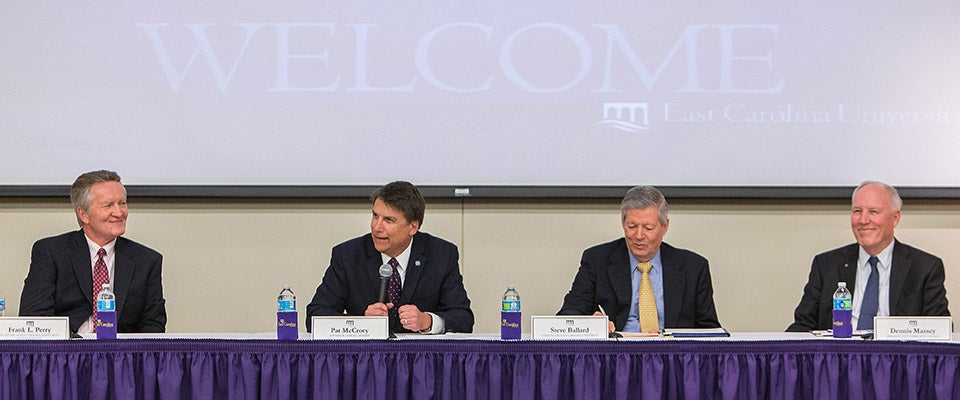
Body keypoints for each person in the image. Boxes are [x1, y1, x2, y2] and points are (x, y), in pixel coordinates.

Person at [305, 181, 473, 334]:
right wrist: (360, 323)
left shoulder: (441, 255)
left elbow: (463, 319)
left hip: (420, 360)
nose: (376, 227)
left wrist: (427, 321)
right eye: (375, 216)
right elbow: (314, 316)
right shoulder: (348, 255)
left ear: (413, 227)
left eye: (388, 220)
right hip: (366, 360)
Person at [787, 181, 950, 332]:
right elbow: (803, 324)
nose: (863, 220)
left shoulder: (924, 267)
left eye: (873, 212)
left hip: (897, 359)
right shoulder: (826, 265)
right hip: (840, 358)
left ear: (895, 218)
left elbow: (940, 328)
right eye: (857, 211)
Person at [19, 170, 166, 334]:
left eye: (122, 203)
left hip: (120, 356)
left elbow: (153, 324)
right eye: (108, 205)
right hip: (66, 355)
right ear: (84, 214)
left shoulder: (146, 260)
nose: (119, 213)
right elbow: (34, 317)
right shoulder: (51, 252)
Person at [558, 185, 720, 333]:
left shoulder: (693, 268)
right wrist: (590, 324)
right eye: (632, 227)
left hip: (672, 357)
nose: (639, 236)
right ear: (623, 224)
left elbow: (710, 331)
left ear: (665, 226)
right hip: (616, 356)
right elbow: (567, 316)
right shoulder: (597, 260)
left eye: (648, 228)